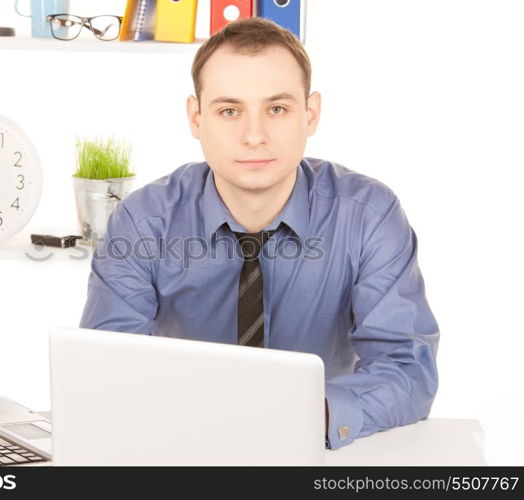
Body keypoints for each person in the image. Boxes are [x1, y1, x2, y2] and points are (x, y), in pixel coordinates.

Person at [79, 17, 439, 450]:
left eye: (277, 108)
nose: (254, 136)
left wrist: (302, 416)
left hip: (315, 447)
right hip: (182, 443)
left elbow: (407, 367)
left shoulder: (368, 216)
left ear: (311, 114)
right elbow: (107, 367)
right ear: (196, 118)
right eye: (230, 110)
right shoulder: (142, 221)